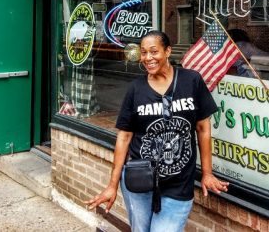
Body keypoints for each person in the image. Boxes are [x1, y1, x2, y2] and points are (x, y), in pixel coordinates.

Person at [85, 30, 229, 232]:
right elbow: (124, 137)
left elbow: (203, 128)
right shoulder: (136, 89)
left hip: (179, 183)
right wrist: (112, 185)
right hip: (139, 179)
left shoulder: (191, 81)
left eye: (154, 51)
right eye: (143, 53)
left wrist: (207, 173)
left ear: (168, 51)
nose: (148, 58)